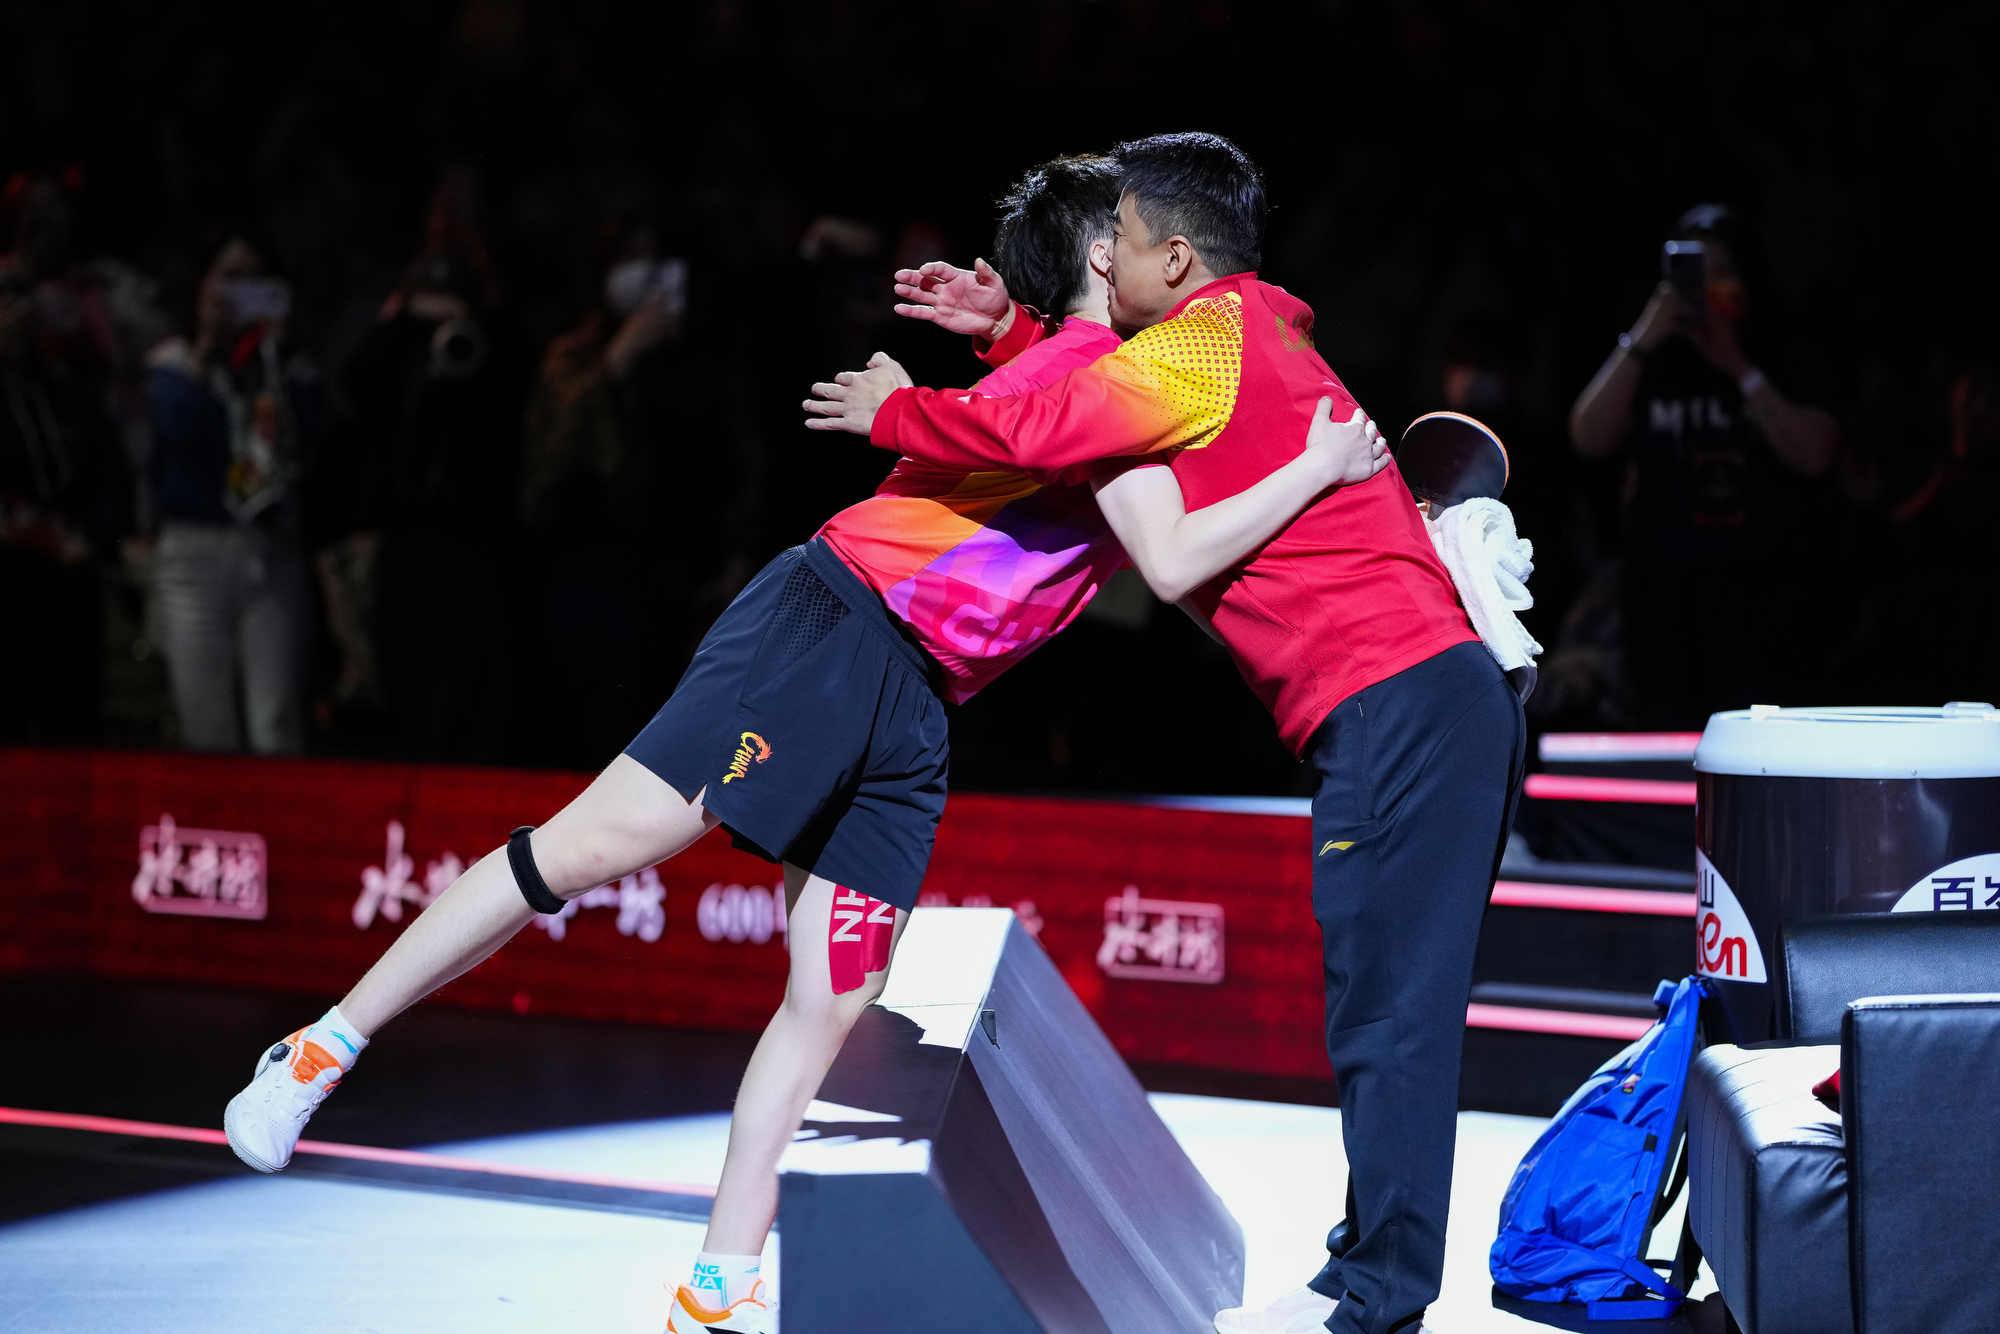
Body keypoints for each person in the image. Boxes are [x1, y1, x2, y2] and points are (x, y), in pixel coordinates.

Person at [220, 152, 1387, 1334]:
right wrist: (1303, 462)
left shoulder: (1097, 374)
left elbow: (1057, 403)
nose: (1152, 249)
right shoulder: (1103, 377)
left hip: (919, 698)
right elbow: (1058, 429)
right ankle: (319, 1047)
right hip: (831, 626)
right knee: (583, 850)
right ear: (1104, 254)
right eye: (1130, 227)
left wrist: (1000, 332)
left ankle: (717, 1282)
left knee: (835, 991)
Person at [806, 131, 1526, 1334]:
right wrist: (1010, 333)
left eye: (1122, 241)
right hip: (1409, 709)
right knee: (1375, 1005)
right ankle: (1365, 1261)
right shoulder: (1245, 336)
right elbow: (1092, 406)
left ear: (1175, 257)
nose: (1108, 258)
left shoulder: (1204, 340)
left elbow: (1046, 430)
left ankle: (1380, 1298)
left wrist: (900, 413)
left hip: (1403, 707)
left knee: (1391, 1016)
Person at [1567, 203, 1839, 724]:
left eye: (1725, 273)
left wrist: (1738, 367)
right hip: (1665, 597)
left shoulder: (1786, 354)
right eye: (1693, 274)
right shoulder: (1654, 357)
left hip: (1765, 594)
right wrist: (1647, 332)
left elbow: (1815, 456)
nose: (1708, 289)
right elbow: (1588, 436)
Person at [147, 238, 323, 754]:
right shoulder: (173, 363)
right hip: (196, 555)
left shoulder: (287, 367)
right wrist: (206, 346)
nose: (241, 292)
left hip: (270, 549)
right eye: (229, 278)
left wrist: (276, 358)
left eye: (255, 281)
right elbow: (178, 432)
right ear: (203, 285)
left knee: (277, 723)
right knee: (206, 728)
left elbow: (309, 438)